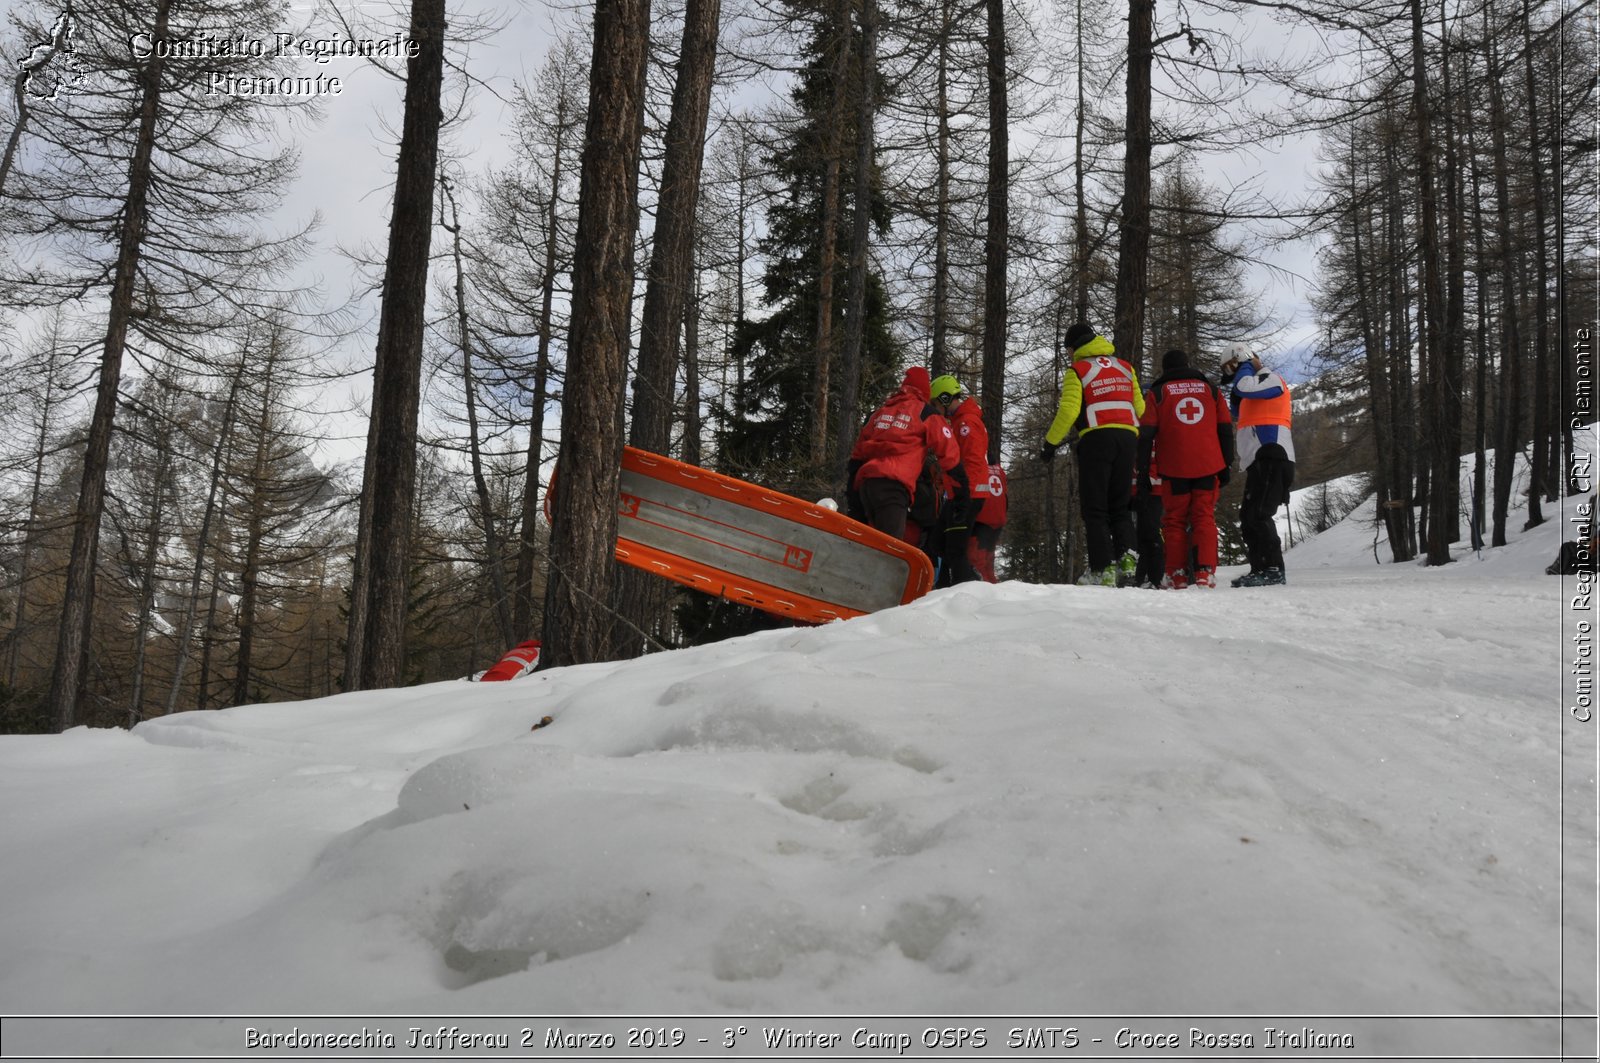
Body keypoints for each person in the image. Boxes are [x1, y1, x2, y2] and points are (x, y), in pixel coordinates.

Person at [1038, 320, 1146, 587]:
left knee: (1095, 508)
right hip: (1128, 439)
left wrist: (1050, 444)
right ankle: (1128, 561)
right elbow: (1141, 408)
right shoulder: (1125, 367)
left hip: (1097, 439)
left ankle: (1103, 569)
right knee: (1120, 505)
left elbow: (1069, 411)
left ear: (1075, 347)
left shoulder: (1078, 369)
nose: (1068, 355)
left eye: (1068, 350)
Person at [1138, 348, 1234, 589]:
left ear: (1166, 369)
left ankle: (1177, 575)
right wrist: (1226, 464)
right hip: (1208, 464)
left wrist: (1142, 472)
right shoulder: (1211, 390)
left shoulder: (1159, 392)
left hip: (1173, 468)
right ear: (1188, 365)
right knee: (1204, 517)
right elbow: (1224, 428)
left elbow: (1146, 434)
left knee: (1174, 521)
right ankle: (1205, 573)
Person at [849, 367, 966, 550]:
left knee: (869, 544)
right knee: (891, 550)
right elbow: (949, 453)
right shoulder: (925, 413)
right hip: (894, 487)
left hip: (867, 486)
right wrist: (962, 493)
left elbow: (856, 457)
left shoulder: (879, 413)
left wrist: (852, 497)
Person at [1222, 343, 1294, 587]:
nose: (1233, 374)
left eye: (1234, 367)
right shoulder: (1252, 389)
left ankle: (1272, 569)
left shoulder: (1271, 378)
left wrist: (1244, 366)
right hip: (1260, 460)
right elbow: (1237, 407)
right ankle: (1260, 569)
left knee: (1259, 514)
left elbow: (1245, 387)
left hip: (1273, 455)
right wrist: (1235, 393)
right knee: (1249, 516)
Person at [929, 374, 991, 585]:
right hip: (959, 494)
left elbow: (972, 462)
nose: (936, 409)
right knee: (937, 544)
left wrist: (963, 496)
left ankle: (968, 590)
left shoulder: (966, 423)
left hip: (967, 495)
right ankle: (944, 591)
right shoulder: (959, 422)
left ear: (945, 400)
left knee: (955, 550)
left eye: (936, 403)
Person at [968, 461, 1009, 583]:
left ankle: (983, 592)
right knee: (988, 561)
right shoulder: (999, 470)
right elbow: (1004, 494)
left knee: (976, 560)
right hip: (998, 518)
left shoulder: (974, 467)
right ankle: (992, 587)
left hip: (982, 518)